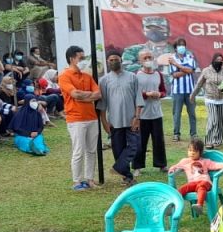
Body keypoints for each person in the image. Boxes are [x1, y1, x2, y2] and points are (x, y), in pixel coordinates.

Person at [59, 45, 102, 191]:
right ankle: (77, 181)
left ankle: (89, 179)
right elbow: (74, 94)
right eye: (81, 57)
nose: (83, 60)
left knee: (91, 150)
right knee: (78, 151)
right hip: (76, 118)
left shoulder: (87, 76)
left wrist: (83, 96)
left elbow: (98, 94)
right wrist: (89, 96)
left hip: (91, 117)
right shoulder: (64, 76)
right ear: (72, 59)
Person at [98, 52, 144, 186]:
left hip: (131, 119)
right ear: (108, 62)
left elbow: (138, 99)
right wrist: (104, 122)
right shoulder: (104, 80)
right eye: (111, 60)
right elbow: (102, 104)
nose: (113, 62)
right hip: (114, 121)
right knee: (118, 149)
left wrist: (137, 117)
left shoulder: (132, 77)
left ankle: (118, 168)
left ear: (121, 60)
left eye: (116, 59)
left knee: (135, 146)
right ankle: (127, 177)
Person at [167, 137, 223, 216]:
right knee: (182, 189)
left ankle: (199, 205)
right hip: (192, 183)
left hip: (205, 182)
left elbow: (214, 165)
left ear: (200, 152)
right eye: (190, 150)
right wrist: (172, 169)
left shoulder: (205, 161)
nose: (192, 153)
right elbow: (176, 166)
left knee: (201, 187)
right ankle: (172, 206)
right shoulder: (185, 161)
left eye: (195, 151)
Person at [129, 48, 168, 172]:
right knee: (140, 142)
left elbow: (164, 91)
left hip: (156, 113)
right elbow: (133, 94)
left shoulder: (158, 74)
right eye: (145, 58)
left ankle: (161, 164)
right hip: (142, 115)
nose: (147, 60)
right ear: (140, 61)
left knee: (158, 141)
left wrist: (159, 94)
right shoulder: (136, 76)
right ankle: (137, 166)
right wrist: (146, 94)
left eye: (149, 57)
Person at [191, 51, 223, 149]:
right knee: (213, 120)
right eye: (217, 60)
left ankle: (218, 140)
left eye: (221, 60)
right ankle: (208, 141)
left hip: (222, 99)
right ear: (213, 60)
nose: (219, 62)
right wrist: (193, 95)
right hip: (210, 99)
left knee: (221, 121)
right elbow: (199, 84)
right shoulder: (206, 71)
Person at [167, 38, 197, 142]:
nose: (182, 47)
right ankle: (176, 134)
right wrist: (187, 70)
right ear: (175, 48)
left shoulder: (190, 57)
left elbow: (191, 70)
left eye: (183, 45)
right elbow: (175, 75)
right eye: (179, 45)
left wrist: (178, 65)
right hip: (177, 91)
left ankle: (193, 134)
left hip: (190, 91)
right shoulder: (172, 59)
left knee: (192, 113)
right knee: (177, 113)